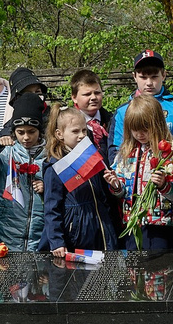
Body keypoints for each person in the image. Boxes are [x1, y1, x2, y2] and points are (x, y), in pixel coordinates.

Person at [41, 103, 126, 252]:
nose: (81, 135)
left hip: (100, 224)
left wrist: (112, 184)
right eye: (75, 131)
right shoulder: (56, 165)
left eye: (84, 130)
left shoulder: (91, 155)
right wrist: (57, 242)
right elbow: (51, 207)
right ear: (59, 134)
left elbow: (101, 194)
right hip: (76, 230)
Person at [113, 95, 173, 253]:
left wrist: (163, 185)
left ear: (157, 124)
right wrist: (115, 185)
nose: (140, 134)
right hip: (132, 222)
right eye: (135, 129)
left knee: (160, 269)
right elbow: (120, 191)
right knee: (134, 270)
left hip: (160, 224)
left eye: (145, 128)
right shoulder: (124, 154)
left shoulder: (169, 152)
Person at [0, 93, 50, 253]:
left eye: (31, 131)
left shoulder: (50, 155)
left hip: (39, 234)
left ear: (40, 130)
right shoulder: (5, 153)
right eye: (20, 132)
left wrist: (48, 188)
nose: (26, 137)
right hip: (6, 232)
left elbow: (62, 189)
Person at [112, 49, 173, 146]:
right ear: (134, 76)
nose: (149, 83)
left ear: (163, 75)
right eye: (143, 77)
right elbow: (116, 149)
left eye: (154, 77)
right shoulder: (123, 111)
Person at [68, 68, 112, 149]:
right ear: (74, 98)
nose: (93, 97)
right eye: (87, 94)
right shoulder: (67, 125)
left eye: (97, 93)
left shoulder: (112, 121)